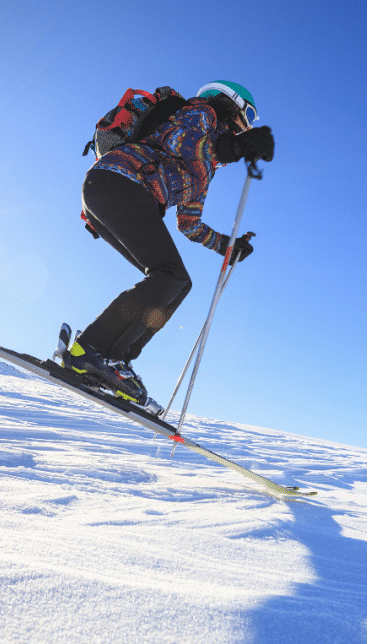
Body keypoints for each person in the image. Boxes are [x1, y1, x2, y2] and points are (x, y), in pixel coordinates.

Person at [64, 81, 275, 413]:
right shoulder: (202, 112)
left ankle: (111, 361)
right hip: (119, 182)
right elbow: (177, 140)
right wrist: (234, 148)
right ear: (229, 103)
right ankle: (89, 350)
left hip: (115, 194)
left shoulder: (207, 169)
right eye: (247, 113)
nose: (246, 123)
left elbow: (188, 224)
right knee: (169, 276)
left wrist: (227, 246)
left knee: (177, 281)